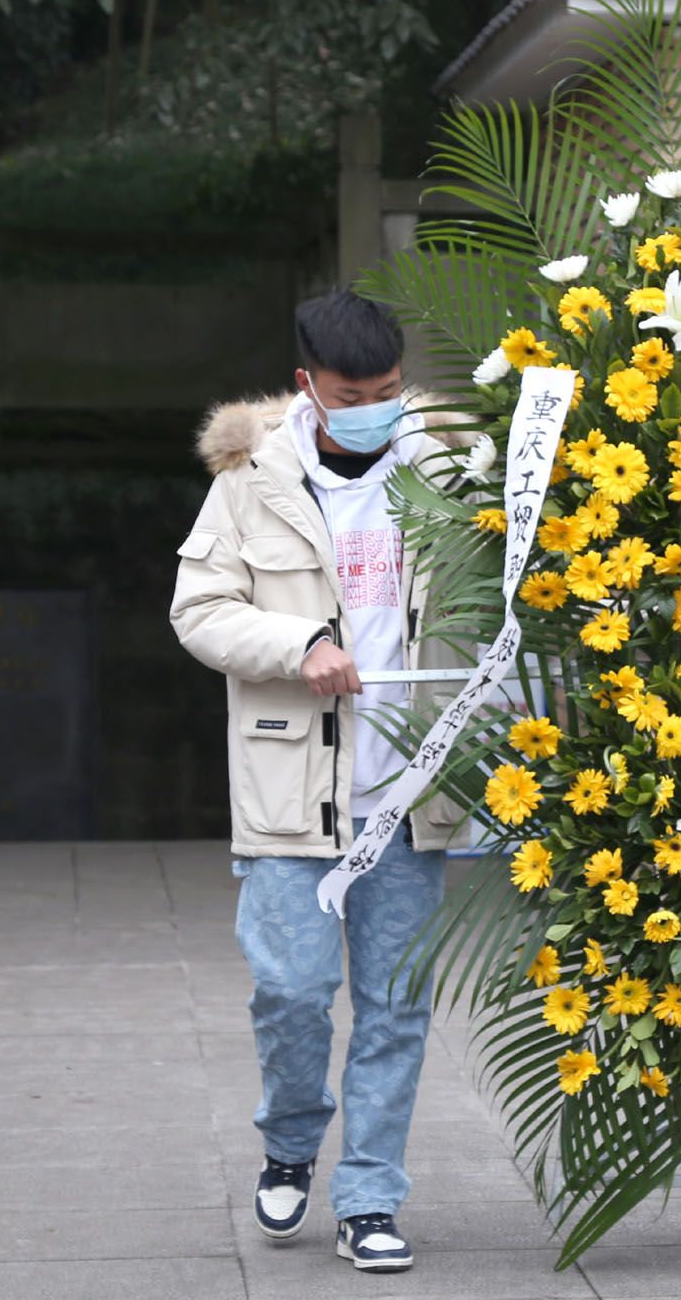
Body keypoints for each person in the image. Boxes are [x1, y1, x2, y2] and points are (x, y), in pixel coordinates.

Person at [170, 291, 468, 1273]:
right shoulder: (252, 477)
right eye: (354, 394)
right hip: (290, 790)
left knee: (395, 1002)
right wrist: (301, 641)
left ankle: (371, 1194)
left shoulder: (446, 463)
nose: (377, 408)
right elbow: (200, 610)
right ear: (308, 387)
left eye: (389, 390)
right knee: (292, 990)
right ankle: (291, 1138)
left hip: (409, 792)